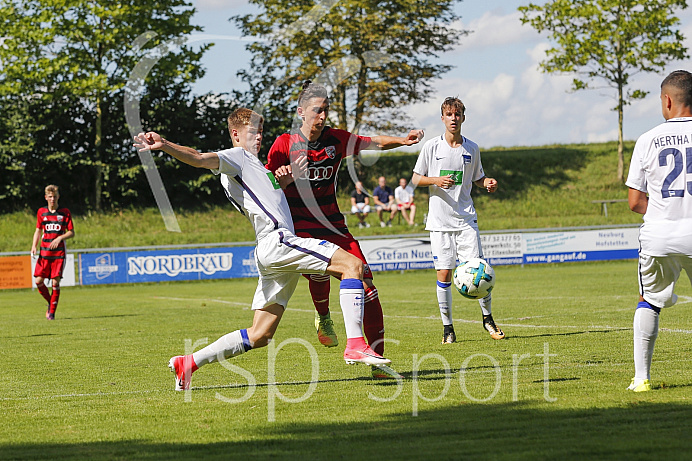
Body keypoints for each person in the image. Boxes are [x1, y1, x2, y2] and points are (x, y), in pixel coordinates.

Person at [133, 108, 390, 391]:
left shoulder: (256, 167)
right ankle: (355, 344)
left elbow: (268, 195)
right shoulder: (238, 157)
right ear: (235, 134)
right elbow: (198, 157)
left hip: (271, 252)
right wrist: (165, 144)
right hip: (278, 241)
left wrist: (288, 178)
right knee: (352, 265)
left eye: (261, 132)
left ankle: (189, 362)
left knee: (260, 334)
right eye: (252, 132)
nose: (259, 137)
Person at [266, 80, 423, 379]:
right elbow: (266, 185)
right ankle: (323, 316)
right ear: (301, 112)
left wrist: (403, 140)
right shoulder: (284, 144)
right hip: (299, 227)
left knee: (368, 287)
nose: (322, 117)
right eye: (316, 111)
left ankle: (377, 360)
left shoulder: (335, 140)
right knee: (317, 274)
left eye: (326, 111)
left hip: (333, 224)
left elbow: (372, 142)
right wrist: (281, 177)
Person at [411, 97, 505, 344]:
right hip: (440, 222)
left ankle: (488, 319)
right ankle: (448, 328)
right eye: (449, 114)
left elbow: (478, 178)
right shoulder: (432, 147)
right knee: (444, 274)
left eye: (458, 114)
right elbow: (415, 179)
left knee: (479, 270)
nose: (454, 118)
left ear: (463, 117)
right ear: (442, 118)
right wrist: (435, 181)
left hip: (465, 220)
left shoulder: (472, 148)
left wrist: (488, 183)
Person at [625, 70, 692, 393]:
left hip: (659, 235)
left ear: (667, 100)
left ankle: (641, 379)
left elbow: (635, 202)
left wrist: (667, 213)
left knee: (649, 301)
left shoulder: (647, 139)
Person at [31, 185, 74, 320]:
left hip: (58, 254)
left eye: (54, 196)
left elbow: (71, 232)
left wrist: (60, 237)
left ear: (58, 197)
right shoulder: (41, 212)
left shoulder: (65, 212)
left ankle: (52, 313)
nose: (52, 199)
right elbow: (38, 230)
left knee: (55, 283)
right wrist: (34, 245)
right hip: (44, 253)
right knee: (38, 281)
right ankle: (51, 303)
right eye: (50, 197)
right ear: (46, 197)